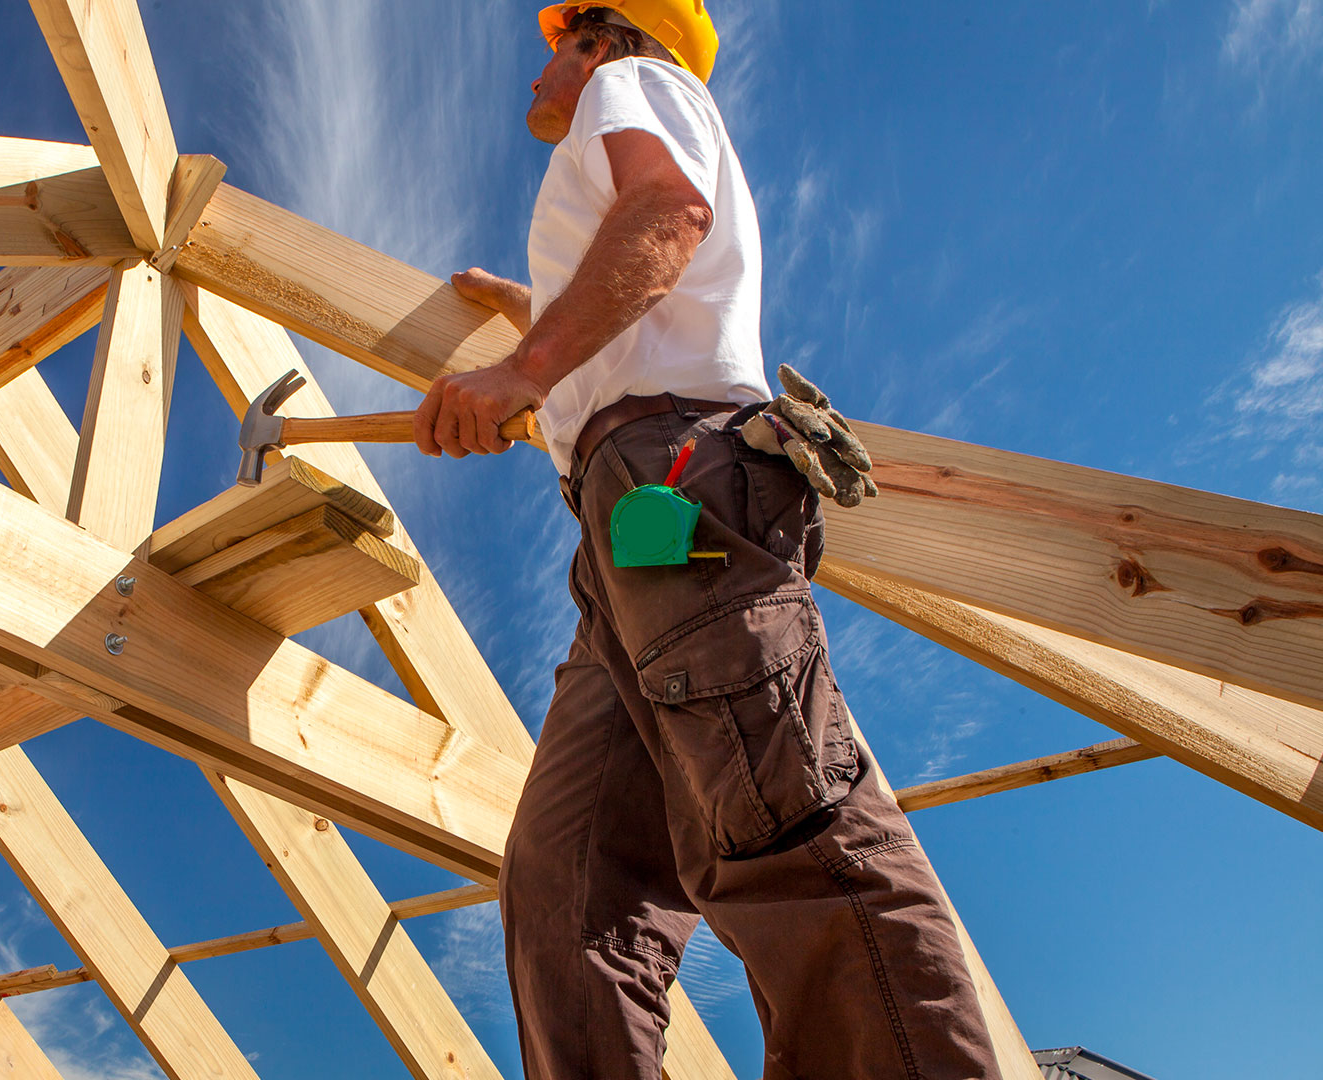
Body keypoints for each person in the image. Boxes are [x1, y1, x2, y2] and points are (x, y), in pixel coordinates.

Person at [413, 4, 1003, 1078]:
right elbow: (640, 280)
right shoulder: (614, 127)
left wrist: (524, 368)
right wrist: (529, 319)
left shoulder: (627, 86)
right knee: (567, 886)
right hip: (624, 533)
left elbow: (669, 212)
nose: (543, 68)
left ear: (603, 36)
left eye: (560, 41)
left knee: (785, 828)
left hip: (671, 490)